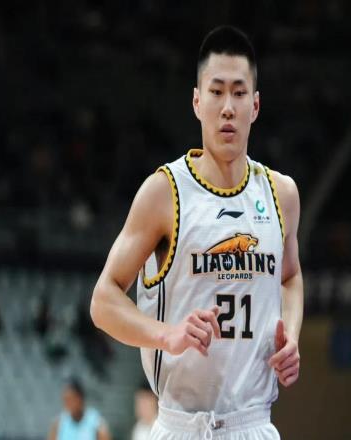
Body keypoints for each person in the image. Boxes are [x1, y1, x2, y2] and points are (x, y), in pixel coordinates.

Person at [90, 25, 303, 439]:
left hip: (254, 424)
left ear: (255, 105)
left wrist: (290, 336)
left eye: (239, 93)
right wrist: (167, 335)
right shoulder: (164, 192)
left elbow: (290, 277)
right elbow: (103, 301)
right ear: (197, 101)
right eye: (217, 91)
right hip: (182, 425)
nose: (228, 107)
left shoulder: (282, 194)